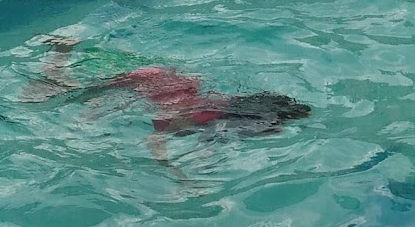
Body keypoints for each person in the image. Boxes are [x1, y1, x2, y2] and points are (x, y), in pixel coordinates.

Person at [24, 37, 310, 159]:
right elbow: (159, 143)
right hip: (193, 97)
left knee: (75, 91)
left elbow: (160, 143)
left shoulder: (189, 105)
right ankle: (61, 53)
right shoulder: (188, 103)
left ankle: (62, 53)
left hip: (189, 96)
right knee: (73, 91)